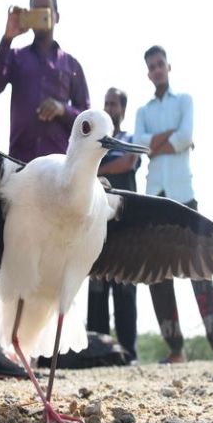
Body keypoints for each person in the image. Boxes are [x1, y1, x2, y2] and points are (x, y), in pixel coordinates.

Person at [133, 45, 213, 363]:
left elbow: (185, 136)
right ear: (148, 72)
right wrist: (165, 139)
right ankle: (176, 349)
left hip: (183, 195)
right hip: (154, 198)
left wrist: (159, 141)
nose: (157, 70)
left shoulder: (184, 100)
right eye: (152, 66)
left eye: (161, 64)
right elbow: (138, 145)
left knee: (200, 270)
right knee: (157, 276)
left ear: (168, 67)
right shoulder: (143, 111)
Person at [0, 0, 90, 163]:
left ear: (57, 17)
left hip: (58, 168)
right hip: (20, 164)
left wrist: (62, 109)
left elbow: (87, 121)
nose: (41, 13)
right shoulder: (15, 57)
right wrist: (7, 37)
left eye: (46, 9)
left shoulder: (72, 65)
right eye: (35, 9)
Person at [86, 87, 140, 363]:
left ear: (123, 108)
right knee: (96, 290)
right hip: (97, 224)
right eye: (105, 103)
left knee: (125, 290)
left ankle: (128, 352)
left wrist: (99, 169)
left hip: (126, 229)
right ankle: (97, 351)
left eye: (114, 104)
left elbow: (129, 162)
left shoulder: (130, 139)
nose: (109, 108)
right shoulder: (94, 141)